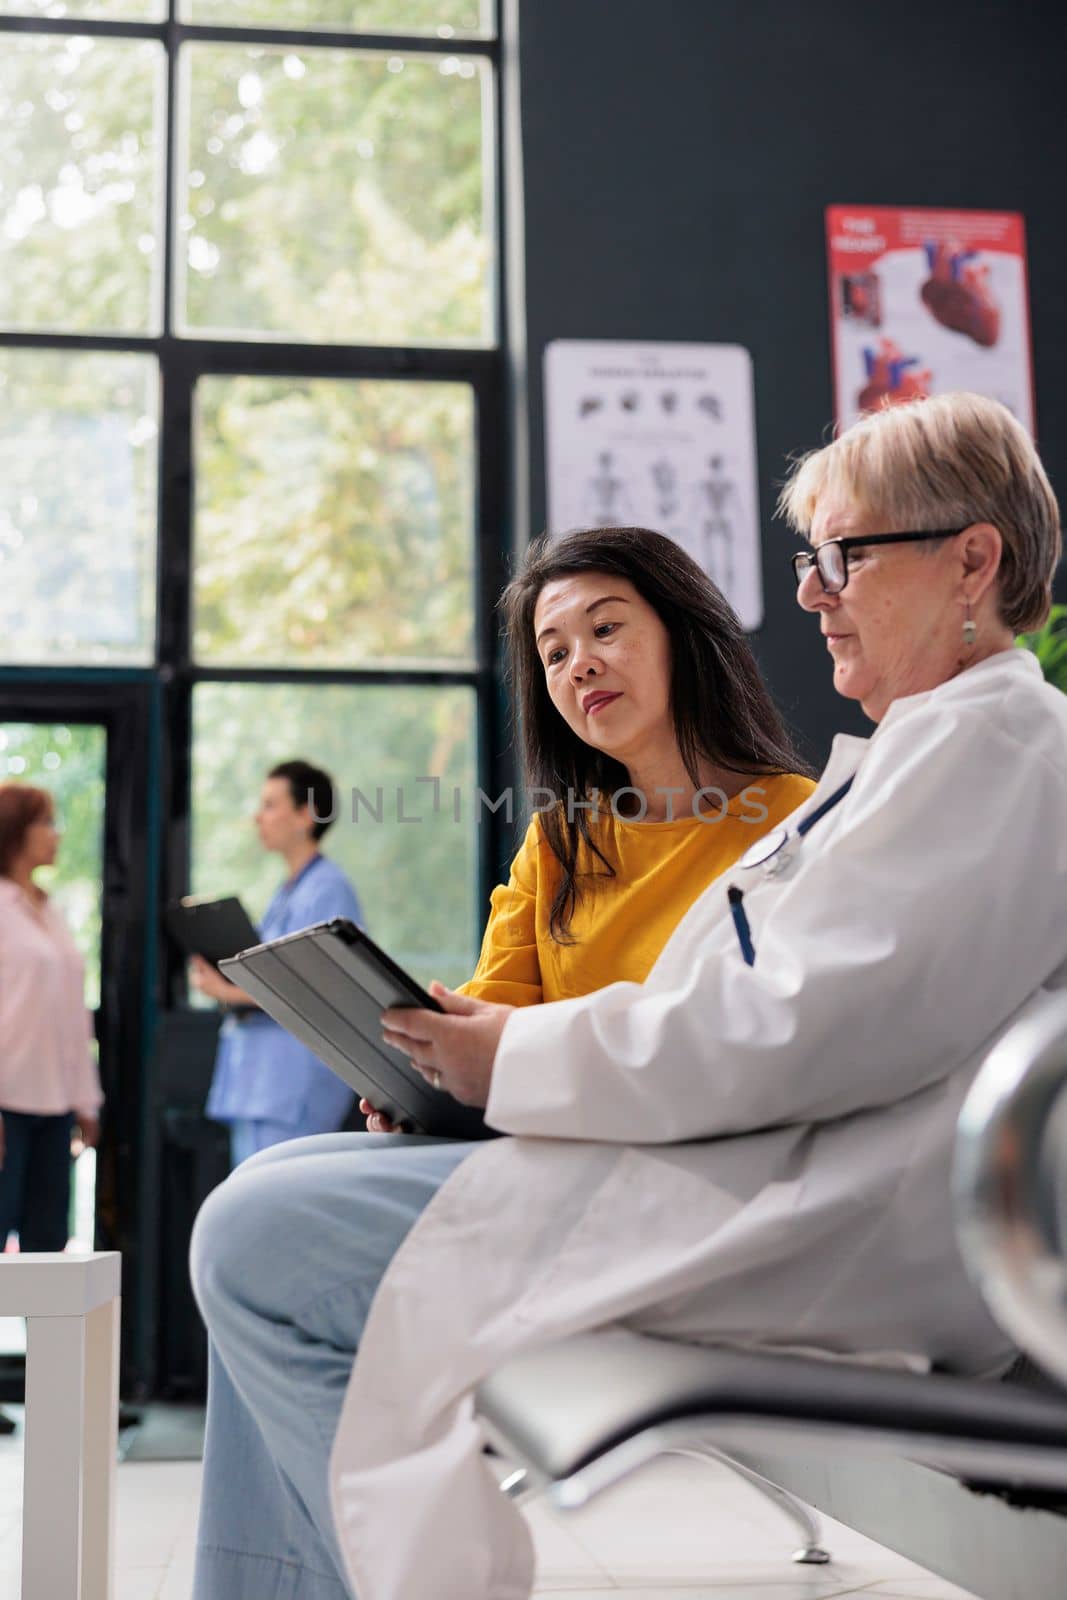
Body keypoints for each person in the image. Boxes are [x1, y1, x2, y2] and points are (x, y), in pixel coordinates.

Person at [187, 522, 825, 1597]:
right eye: (553, 648)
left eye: (606, 628)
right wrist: (425, 1063)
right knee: (259, 1185)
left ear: (684, 634)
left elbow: (747, 1051)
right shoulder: (560, 840)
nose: (578, 661)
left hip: (668, 1188)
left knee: (253, 1230)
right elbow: (499, 1015)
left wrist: (503, 1054)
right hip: (535, 1163)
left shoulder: (787, 828)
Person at [193, 759, 364, 1166]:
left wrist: (226, 991)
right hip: (263, 1084)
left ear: (305, 816)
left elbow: (316, 987)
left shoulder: (328, 890)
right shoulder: (288, 891)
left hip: (292, 1085)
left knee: (280, 1211)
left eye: (270, 805)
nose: (258, 817)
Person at [0, 783, 103, 1436]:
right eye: (46, 823)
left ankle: (50, 1388)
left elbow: (71, 1020)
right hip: (5, 1104)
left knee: (46, 1245)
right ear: (16, 831)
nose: (57, 834)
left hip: (52, 1107)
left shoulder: (50, 909)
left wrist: (85, 1100)